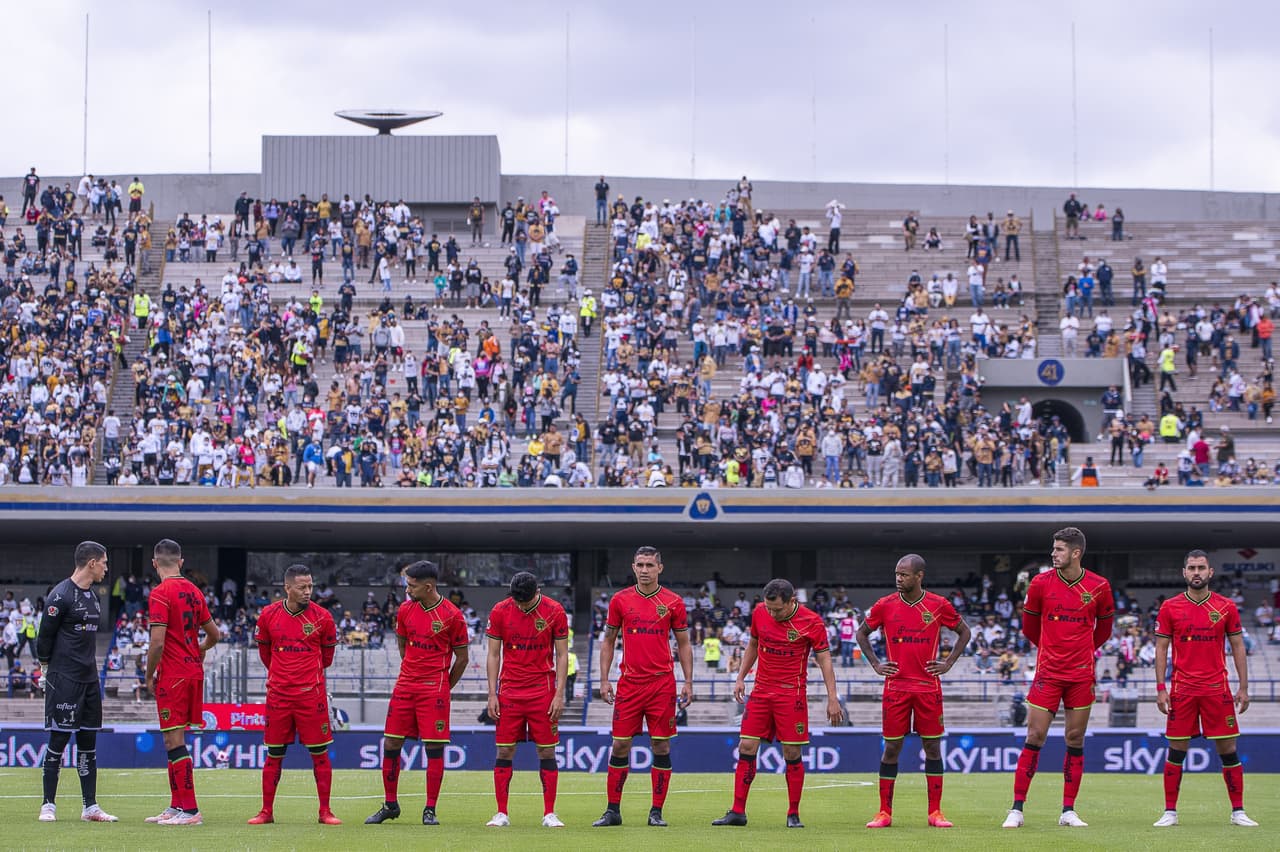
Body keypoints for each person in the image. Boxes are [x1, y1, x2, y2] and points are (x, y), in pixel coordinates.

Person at [1003, 527, 1114, 829]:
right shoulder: (1040, 584)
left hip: (1080, 676)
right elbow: (1029, 628)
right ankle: (1016, 809)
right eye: (1053, 549)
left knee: (1074, 739)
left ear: (1076, 553)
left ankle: (1068, 810)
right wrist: (1054, 648)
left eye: (1060, 549)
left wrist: (1080, 650)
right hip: (1048, 673)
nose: (1054, 554)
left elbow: (1103, 630)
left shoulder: (1100, 586)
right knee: (1034, 736)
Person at [712, 579, 843, 829]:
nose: (772, 613)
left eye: (778, 609)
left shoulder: (812, 621)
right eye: (769, 608)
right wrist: (740, 677)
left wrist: (832, 697)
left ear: (792, 601)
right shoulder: (760, 612)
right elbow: (752, 644)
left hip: (790, 695)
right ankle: (738, 811)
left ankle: (793, 813)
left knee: (792, 753)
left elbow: (825, 660)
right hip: (761, 692)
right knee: (747, 745)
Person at [858, 554, 972, 829]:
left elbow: (964, 632)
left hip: (927, 687)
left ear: (919, 576)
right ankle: (884, 812)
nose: (898, 579)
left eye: (904, 574)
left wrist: (948, 662)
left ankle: (936, 812)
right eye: (896, 574)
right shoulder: (885, 605)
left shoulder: (938, 605)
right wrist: (875, 664)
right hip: (896, 687)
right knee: (892, 749)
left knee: (932, 748)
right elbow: (862, 633)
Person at [1153, 550, 1257, 828]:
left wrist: (1243, 687)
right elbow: (1161, 648)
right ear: (1184, 573)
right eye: (1191, 568)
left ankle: (1238, 812)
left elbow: (1237, 646)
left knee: (1228, 749)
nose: (1196, 572)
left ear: (1210, 572)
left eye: (1201, 567)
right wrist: (1161, 687)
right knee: (1176, 751)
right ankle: (1170, 812)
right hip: (1182, 690)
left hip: (1216, 689)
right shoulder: (1170, 607)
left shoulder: (1226, 606)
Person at [593, 546, 694, 828]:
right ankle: (613, 810)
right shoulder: (620, 600)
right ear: (633, 567)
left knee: (660, 745)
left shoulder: (673, 602)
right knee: (620, 743)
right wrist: (604, 679)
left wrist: (688, 680)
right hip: (629, 684)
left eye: (650, 565)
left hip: (662, 684)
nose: (645, 569)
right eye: (640, 564)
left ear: (660, 568)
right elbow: (609, 641)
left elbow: (684, 644)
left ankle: (656, 812)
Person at [366, 560, 470, 826]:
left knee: (433, 748)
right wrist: (412, 671)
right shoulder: (405, 610)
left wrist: (444, 685)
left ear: (428, 586)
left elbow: (462, 659)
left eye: (411, 586)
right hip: (405, 686)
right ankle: (390, 804)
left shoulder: (452, 615)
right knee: (390, 743)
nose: (407, 589)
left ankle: (430, 809)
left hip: (433, 690)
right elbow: (402, 645)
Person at [248, 564, 341, 825]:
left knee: (319, 754)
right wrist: (283, 676)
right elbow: (265, 654)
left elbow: (327, 658)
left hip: (311, 696)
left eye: (310, 586)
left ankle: (325, 812)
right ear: (287, 587)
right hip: (278, 695)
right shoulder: (268, 615)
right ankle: (266, 811)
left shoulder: (323, 618)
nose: (308, 591)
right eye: (302, 587)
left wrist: (304, 677)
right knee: (274, 753)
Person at [36, 540, 118, 822]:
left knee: (88, 742)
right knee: (58, 739)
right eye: (104, 562)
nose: (107, 568)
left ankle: (90, 806)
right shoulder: (60, 596)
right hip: (64, 678)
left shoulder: (93, 597)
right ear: (92, 563)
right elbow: (44, 637)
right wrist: (46, 670)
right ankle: (48, 804)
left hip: (89, 679)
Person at [484, 572, 570, 828]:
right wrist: (492, 693)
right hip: (509, 691)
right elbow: (492, 654)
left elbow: (563, 655)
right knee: (505, 750)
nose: (521, 606)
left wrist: (559, 693)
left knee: (546, 750)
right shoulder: (500, 611)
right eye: (517, 601)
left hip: (542, 691)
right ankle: (501, 813)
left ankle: (550, 813)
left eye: (525, 601)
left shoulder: (554, 611)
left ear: (537, 592)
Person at [144, 539, 221, 826]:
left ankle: (190, 810)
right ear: (181, 561)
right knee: (171, 739)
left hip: (173, 674)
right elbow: (215, 635)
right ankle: (177, 806)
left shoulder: (160, 593)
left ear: (154, 563)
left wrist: (148, 673)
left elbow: (157, 643)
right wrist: (199, 650)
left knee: (174, 740)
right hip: (192, 672)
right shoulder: (194, 591)